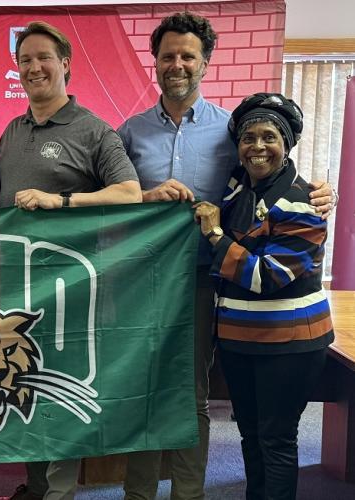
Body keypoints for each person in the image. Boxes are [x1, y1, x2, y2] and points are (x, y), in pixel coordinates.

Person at [118, 13, 334, 500]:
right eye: (168, 55)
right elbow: (111, 196)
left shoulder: (230, 132)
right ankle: (137, 494)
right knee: (142, 394)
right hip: (140, 282)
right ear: (155, 62)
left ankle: (190, 494)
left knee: (193, 397)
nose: (177, 64)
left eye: (187, 56)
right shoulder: (129, 132)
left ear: (205, 63)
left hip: (203, 281)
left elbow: (276, 175)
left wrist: (324, 193)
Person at [0, 21, 141, 500]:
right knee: (25, 387)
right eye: (25, 60)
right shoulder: (12, 130)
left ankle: (58, 493)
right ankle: (35, 486)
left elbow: (129, 193)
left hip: (72, 289)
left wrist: (61, 201)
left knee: (59, 390)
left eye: (43, 58)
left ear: (65, 65)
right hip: (15, 287)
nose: (34, 67)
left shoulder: (94, 130)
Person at [193, 92, 333, 500]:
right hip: (241, 340)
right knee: (250, 437)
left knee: (276, 440)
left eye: (269, 137)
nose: (257, 147)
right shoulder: (238, 188)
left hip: (289, 345)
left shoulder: (304, 202)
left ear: (286, 144)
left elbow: (266, 277)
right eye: (248, 137)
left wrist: (215, 236)